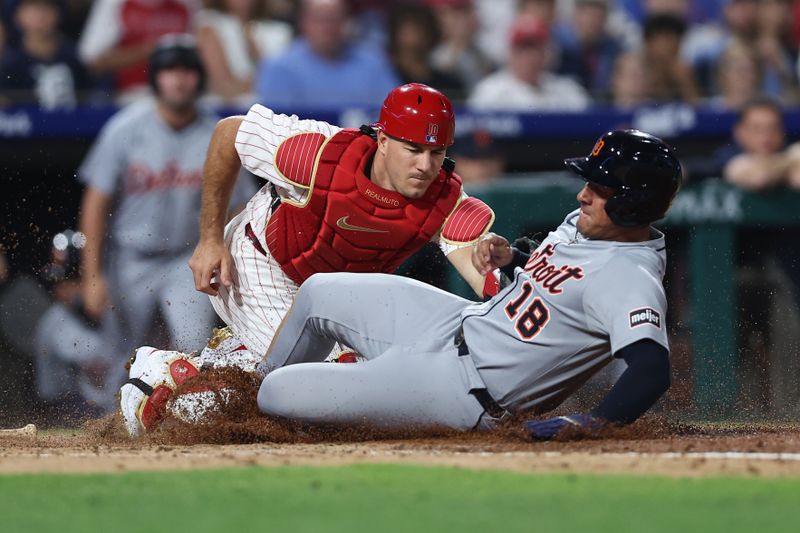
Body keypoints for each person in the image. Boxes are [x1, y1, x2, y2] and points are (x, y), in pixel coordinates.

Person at [119, 82, 496, 436]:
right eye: (413, 150)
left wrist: (501, 274)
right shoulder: (319, 153)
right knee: (310, 384)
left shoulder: (443, 201)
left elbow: (484, 275)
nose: (425, 166)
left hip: (335, 298)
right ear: (382, 140)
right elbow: (229, 134)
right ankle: (162, 372)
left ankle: (206, 368)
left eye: (437, 153)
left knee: (362, 388)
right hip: (261, 265)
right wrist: (210, 239)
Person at [253, 129, 681, 439]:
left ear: (631, 202)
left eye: (599, 188)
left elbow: (651, 369)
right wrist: (512, 256)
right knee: (318, 292)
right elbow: (564, 276)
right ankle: (241, 393)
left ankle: (274, 404)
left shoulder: (628, 276)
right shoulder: (591, 227)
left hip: (462, 390)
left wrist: (594, 422)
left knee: (277, 394)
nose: (583, 195)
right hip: (456, 323)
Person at [78, 34, 254, 412]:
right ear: (156, 77)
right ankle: (109, 427)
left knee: (192, 346)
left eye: (188, 70)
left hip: (186, 259)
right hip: (131, 258)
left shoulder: (217, 133)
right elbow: (95, 203)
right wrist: (91, 275)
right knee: (119, 352)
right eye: (171, 70)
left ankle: (183, 423)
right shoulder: (124, 128)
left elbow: (242, 207)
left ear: (199, 78)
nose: (180, 79)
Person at [254, 0, 399, 110]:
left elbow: (394, 112)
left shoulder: (373, 63)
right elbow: (276, 127)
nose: (328, 27)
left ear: (348, 22)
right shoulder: (279, 67)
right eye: (320, 20)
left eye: (335, 19)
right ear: (303, 22)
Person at [77, 0, 196, 101]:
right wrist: (151, 51)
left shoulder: (187, 3)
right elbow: (92, 60)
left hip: (185, 96)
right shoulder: (115, 3)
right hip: (133, 96)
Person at [468, 15, 590, 111]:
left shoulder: (568, 91)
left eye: (535, 48)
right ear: (511, 53)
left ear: (547, 53)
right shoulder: (489, 92)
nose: (529, 56)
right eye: (523, 48)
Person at [194, 0, 292, 105]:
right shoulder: (210, 24)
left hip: (269, 109)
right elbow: (224, 88)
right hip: (225, 111)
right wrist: (268, 83)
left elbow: (284, 84)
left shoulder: (277, 31)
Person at [0, 0, 90, 109]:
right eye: (33, 9)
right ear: (17, 15)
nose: (41, 15)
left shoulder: (75, 56)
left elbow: (89, 94)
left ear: (59, 13)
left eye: (47, 8)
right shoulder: (10, 63)